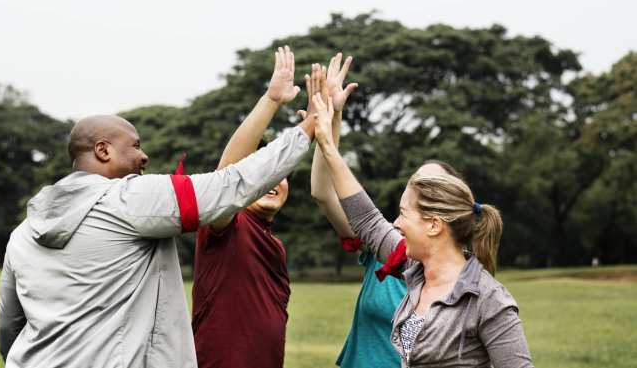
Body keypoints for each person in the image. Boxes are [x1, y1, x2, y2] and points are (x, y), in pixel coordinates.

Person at [0, 46, 317, 368]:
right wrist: (309, 127)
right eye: (135, 146)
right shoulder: (130, 199)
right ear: (103, 151)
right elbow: (230, 184)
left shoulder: (22, 233)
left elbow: (9, 325)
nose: (144, 156)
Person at [309, 91, 534, 367]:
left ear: (434, 224)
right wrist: (327, 144)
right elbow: (367, 218)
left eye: (404, 214)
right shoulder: (412, 267)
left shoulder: (488, 300)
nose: (395, 223)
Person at [310, 54, 465, 368]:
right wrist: (333, 117)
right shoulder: (383, 242)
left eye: (434, 189)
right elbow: (323, 193)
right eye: (418, 185)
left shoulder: (464, 277)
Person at [191, 46, 304, 368]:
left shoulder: (274, 243)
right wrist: (271, 101)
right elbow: (226, 176)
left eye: (280, 175)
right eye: (260, 176)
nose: (272, 182)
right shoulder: (227, 225)